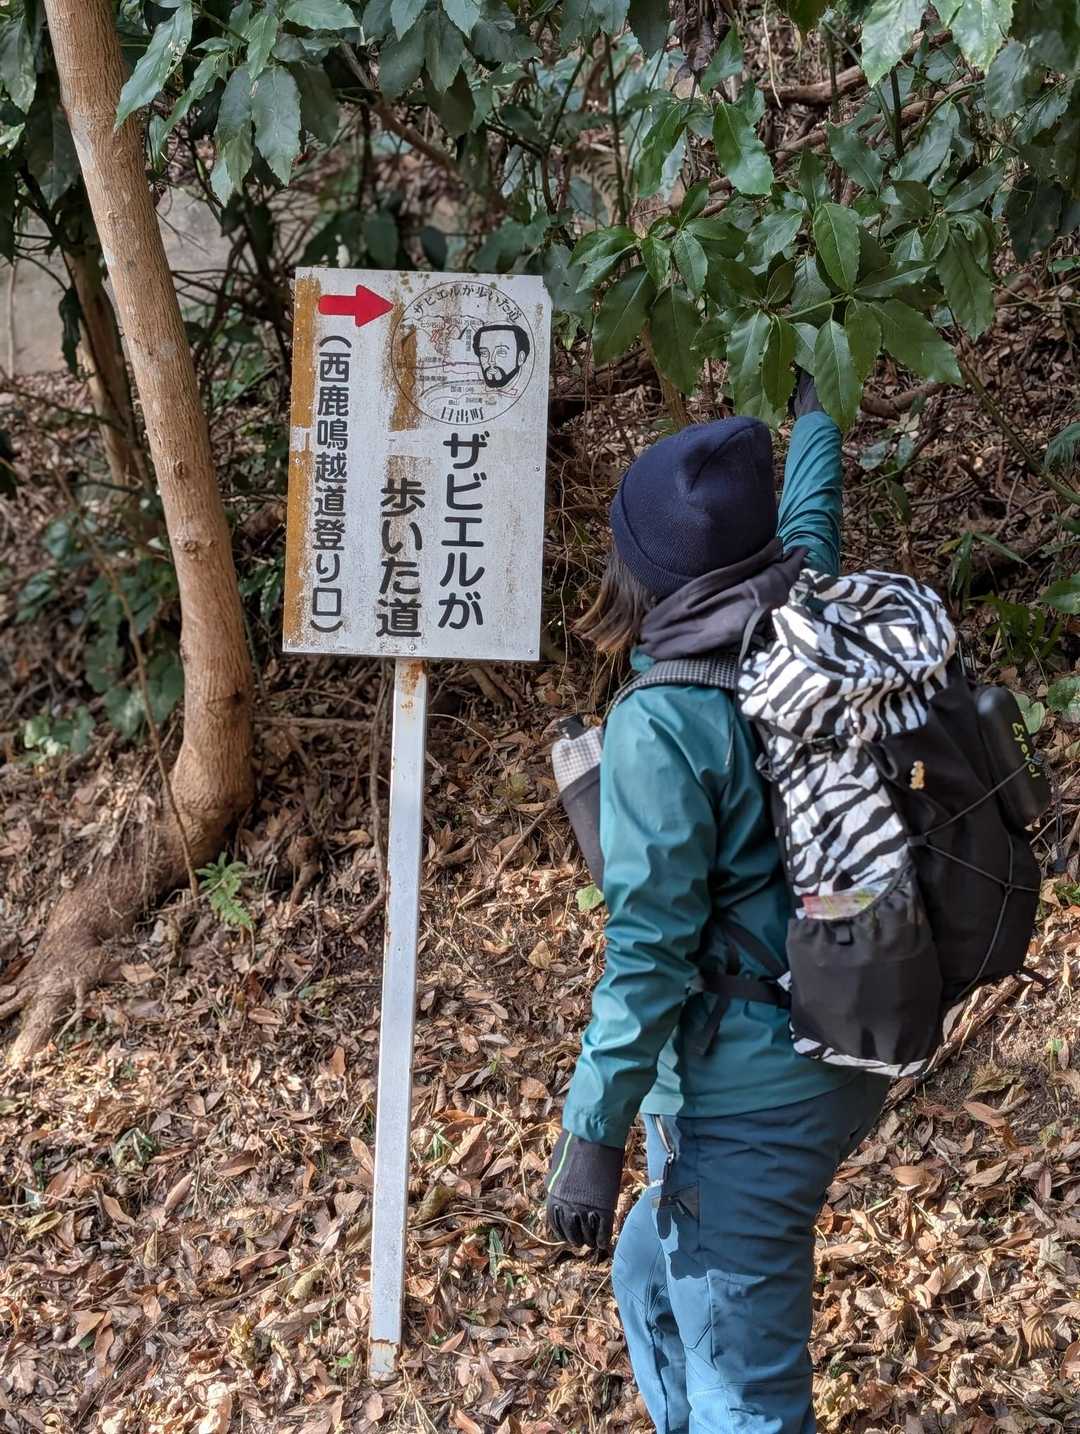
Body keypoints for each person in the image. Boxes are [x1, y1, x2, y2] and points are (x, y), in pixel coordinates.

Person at [545, 375, 890, 1434]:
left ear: (644, 573)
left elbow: (648, 955)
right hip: (844, 1038)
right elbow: (813, 514)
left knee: (747, 1396)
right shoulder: (803, 602)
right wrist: (816, 419)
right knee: (649, 1276)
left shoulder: (661, 725)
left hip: (748, 1099)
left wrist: (593, 1136)